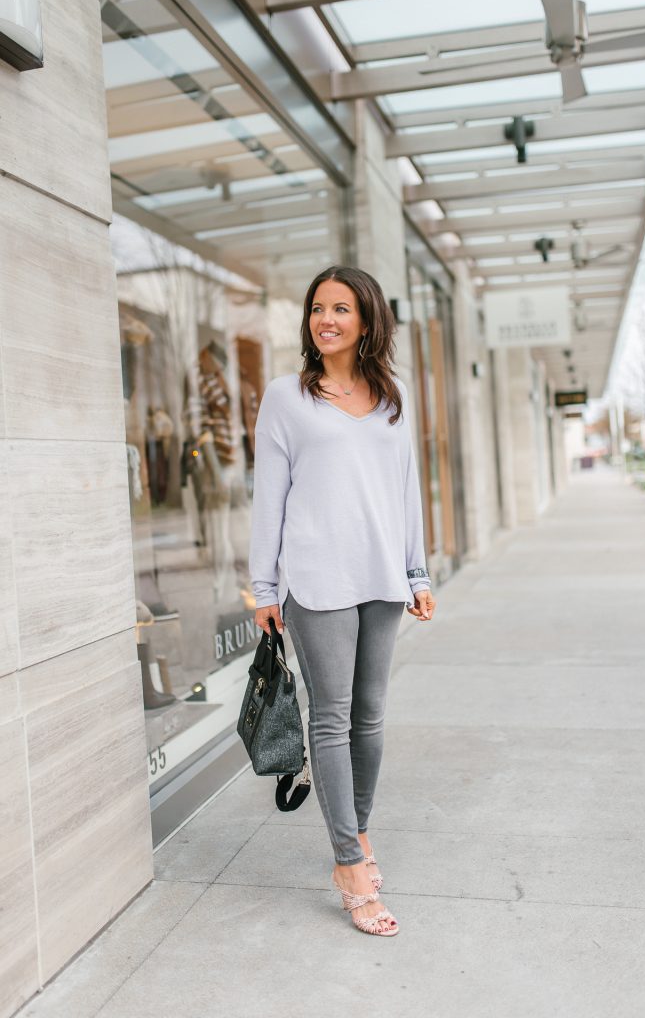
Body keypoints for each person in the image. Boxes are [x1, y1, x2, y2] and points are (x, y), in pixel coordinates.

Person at [248, 265, 436, 938]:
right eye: (318, 308)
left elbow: (405, 489)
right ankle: (349, 863)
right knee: (331, 717)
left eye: (341, 308)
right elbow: (268, 496)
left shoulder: (392, 396)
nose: (326, 318)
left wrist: (417, 571)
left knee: (372, 717)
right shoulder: (286, 397)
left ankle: (358, 829)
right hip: (317, 579)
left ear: (366, 320)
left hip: (382, 577)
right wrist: (264, 588)